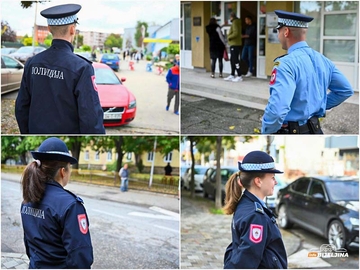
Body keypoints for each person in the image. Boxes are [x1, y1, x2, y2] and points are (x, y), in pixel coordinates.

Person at [15, 4, 105, 135]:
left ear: (50, 28)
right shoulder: (81, 67)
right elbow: (91, 119)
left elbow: (21, 108)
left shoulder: (32, 63)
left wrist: (28, 133)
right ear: (73, 29)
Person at [261, 10, 354, 134]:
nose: (278, 36)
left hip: (291, 132)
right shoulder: (323, 60)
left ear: (286, 32)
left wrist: (266, 132)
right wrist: (318, 105)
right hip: (315, 130)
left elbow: (277, 111)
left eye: (278, 31)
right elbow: (346, 90)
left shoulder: (285, 64)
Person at [20, 137, 93, 268]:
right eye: (69, 168)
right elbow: (80, 256)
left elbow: (29, 243)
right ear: (62, 171)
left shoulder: (28, 198)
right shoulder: (70, 205)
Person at [223, 151, 287, 269]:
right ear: (258, 181)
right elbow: (246, 260)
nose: (276, 182)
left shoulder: (246, 204)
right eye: (272, 177)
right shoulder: (255, 215)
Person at [224, 12, 243, 82]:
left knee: (235, 60)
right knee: (232, 60)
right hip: (235, 44)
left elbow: (236, 33)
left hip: (234, 44)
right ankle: (232, 74)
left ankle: (239, 75)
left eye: (230, 17)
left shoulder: (235, 23)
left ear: (231, 17)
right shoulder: (237, 22)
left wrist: (229, 37)